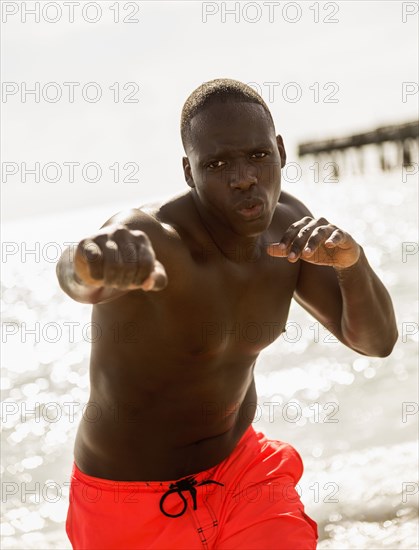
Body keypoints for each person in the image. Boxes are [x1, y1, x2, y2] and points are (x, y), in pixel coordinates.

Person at [57, 78, 398, 550]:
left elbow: (375, 342)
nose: (243, 177)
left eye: (257, 155)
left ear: (279, 150)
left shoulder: (288, 229)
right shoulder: (151, 238)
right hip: (127, 505)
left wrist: (351, 263)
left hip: (242, 478)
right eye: (216, 164)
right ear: (188, 172)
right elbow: (82, 277)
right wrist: (87, 261)